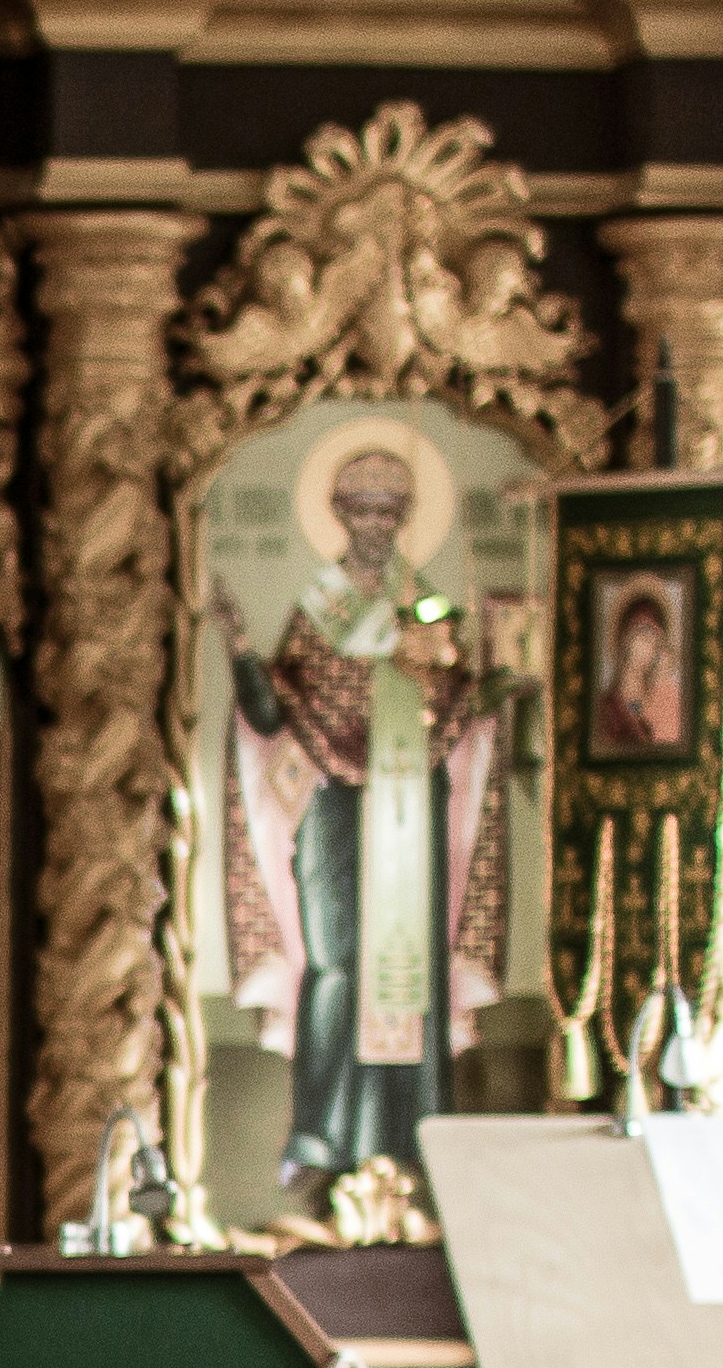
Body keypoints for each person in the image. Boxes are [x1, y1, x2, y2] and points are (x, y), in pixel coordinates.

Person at [214, 437, 511, 1209]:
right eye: (361, 511)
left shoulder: (427, 607)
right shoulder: (319, 611)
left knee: (415, 971)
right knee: (334, 964)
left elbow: (457, 698)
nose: (375, 526)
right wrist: (241, 650)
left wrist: (497, 676)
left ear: (405, 519)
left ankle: (420, 1135)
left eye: (388, 512)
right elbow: (273, 711)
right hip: (335, 813)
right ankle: (318, 1135)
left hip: (412, 805)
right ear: (340, 517)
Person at [593, 584, 689, 756]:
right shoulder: (606, 707)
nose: (650, 648)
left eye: (656, 642)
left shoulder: (662, 699)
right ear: (626, 639)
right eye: (644, 637)